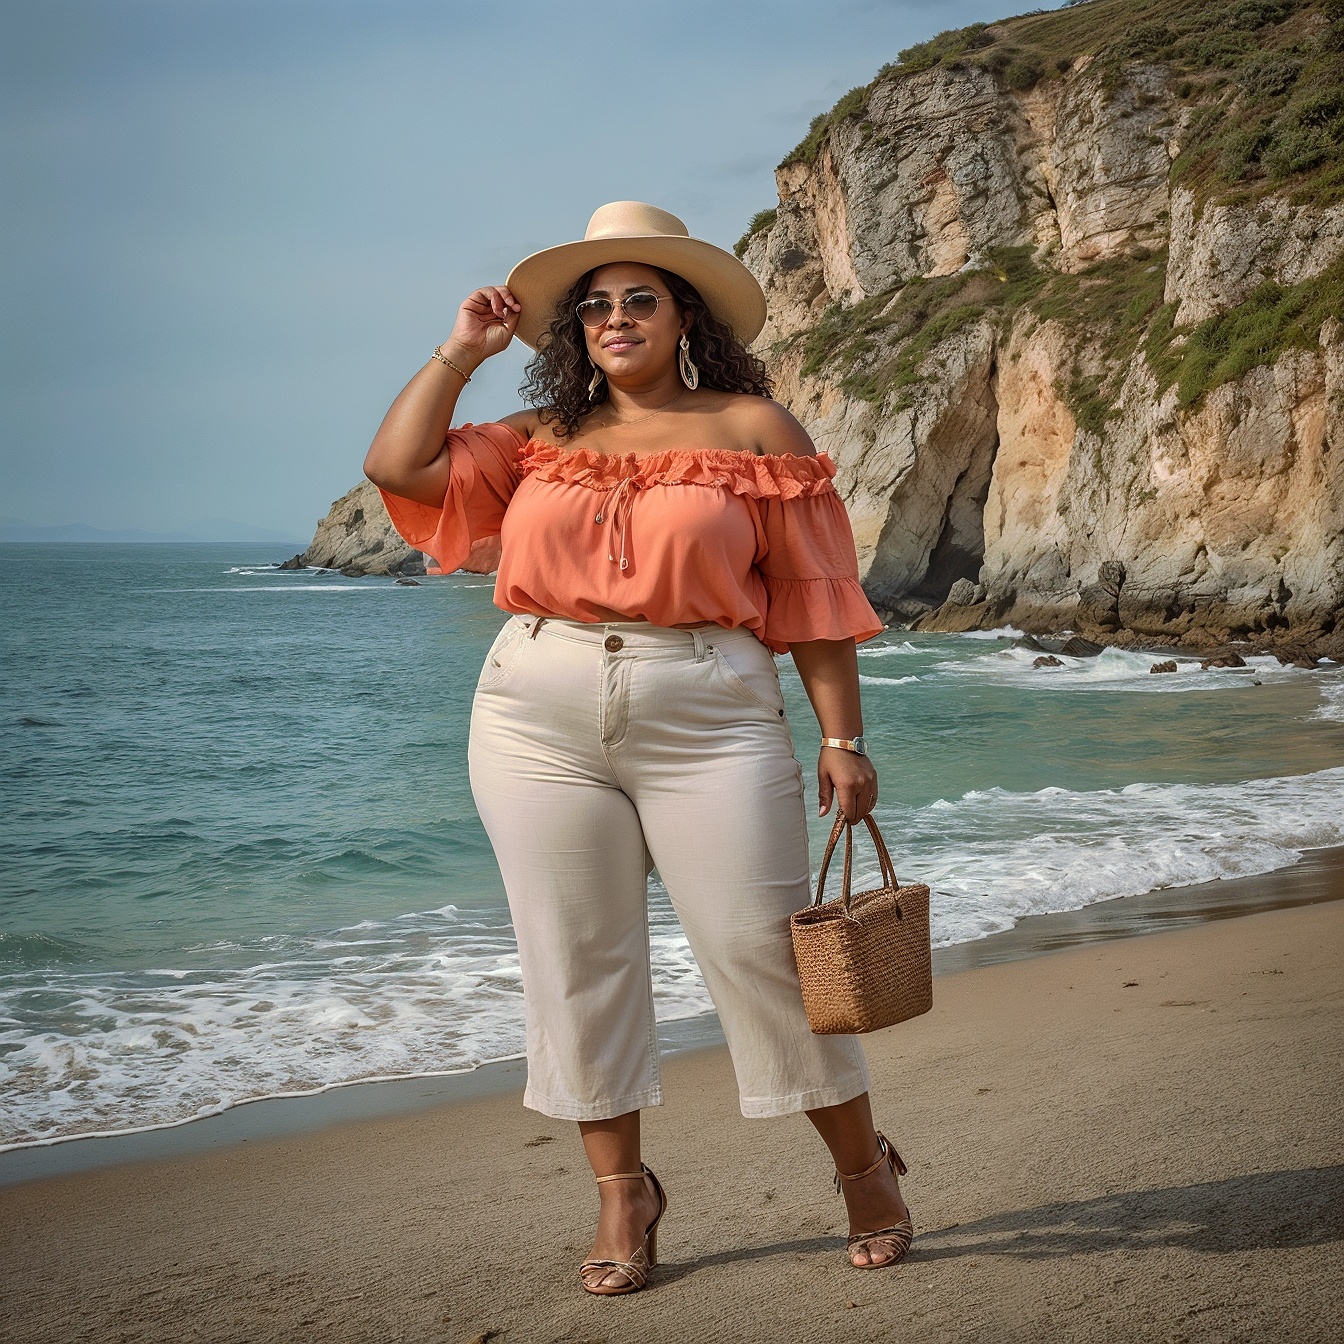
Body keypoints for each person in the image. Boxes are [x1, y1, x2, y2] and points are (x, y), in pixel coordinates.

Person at [363, 202, 914, 1294]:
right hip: (532, 707)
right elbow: (398, 462)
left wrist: (842, 737)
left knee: (764, 952)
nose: (616, 318)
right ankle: (624, 1192)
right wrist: (460, 352)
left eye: (640, 298)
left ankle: (863, 1166)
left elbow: (813, 596)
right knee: (573, 962)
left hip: (706, 702)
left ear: (684, 316)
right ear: (575, 331)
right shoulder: (536, 445)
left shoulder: (756, 429)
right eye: (596, 305)